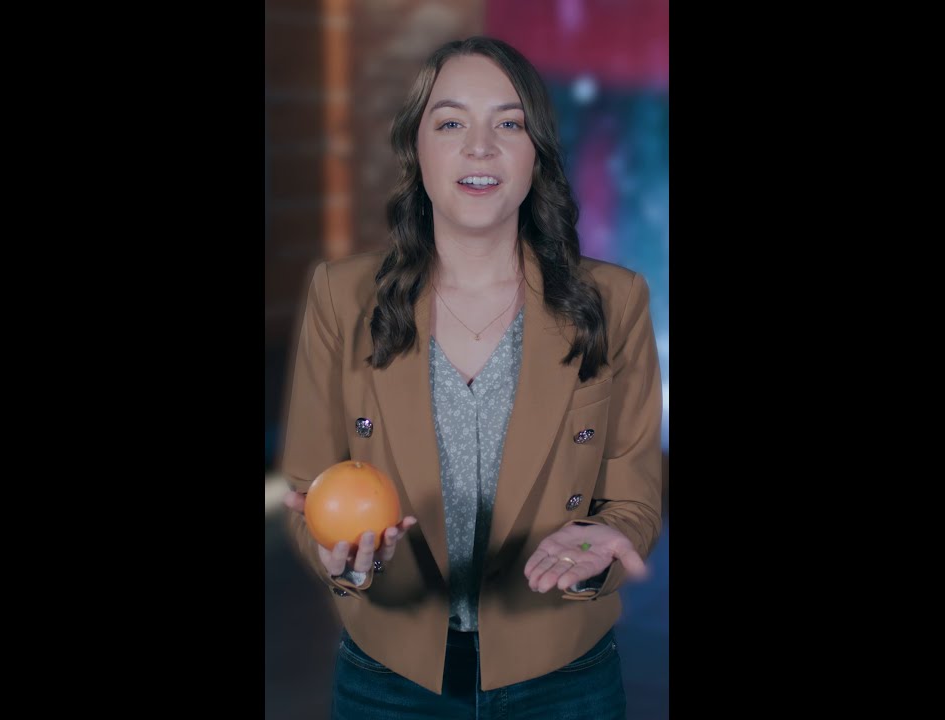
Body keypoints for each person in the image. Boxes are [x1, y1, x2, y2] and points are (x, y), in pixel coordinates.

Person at [279, 35, 662, 718]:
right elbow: (311, 489)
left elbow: (632, 499)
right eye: (450, 123)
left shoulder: (614, 301)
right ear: (416, 147)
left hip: (566, 675)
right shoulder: (341, 297)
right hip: (387, 678)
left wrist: (607, 545)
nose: (480, 147)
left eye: (508, 124)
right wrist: (339, 558)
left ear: (537, 151)